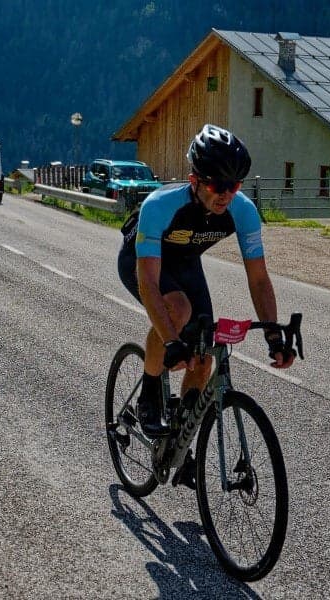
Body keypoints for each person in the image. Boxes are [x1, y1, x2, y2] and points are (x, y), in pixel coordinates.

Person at [117, 124, 295, 488]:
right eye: (217, 185)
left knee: (203, 358)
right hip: (143, 263)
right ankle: (151, 393)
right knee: (178, 311)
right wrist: (170, 340)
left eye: (235, 186)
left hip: (185, 264)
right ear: (194, 179)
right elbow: (149, 283)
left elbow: (259, 279)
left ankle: (178, 441)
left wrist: (274, 336)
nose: (226, 195)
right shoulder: (161, 206)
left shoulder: (242, 212)